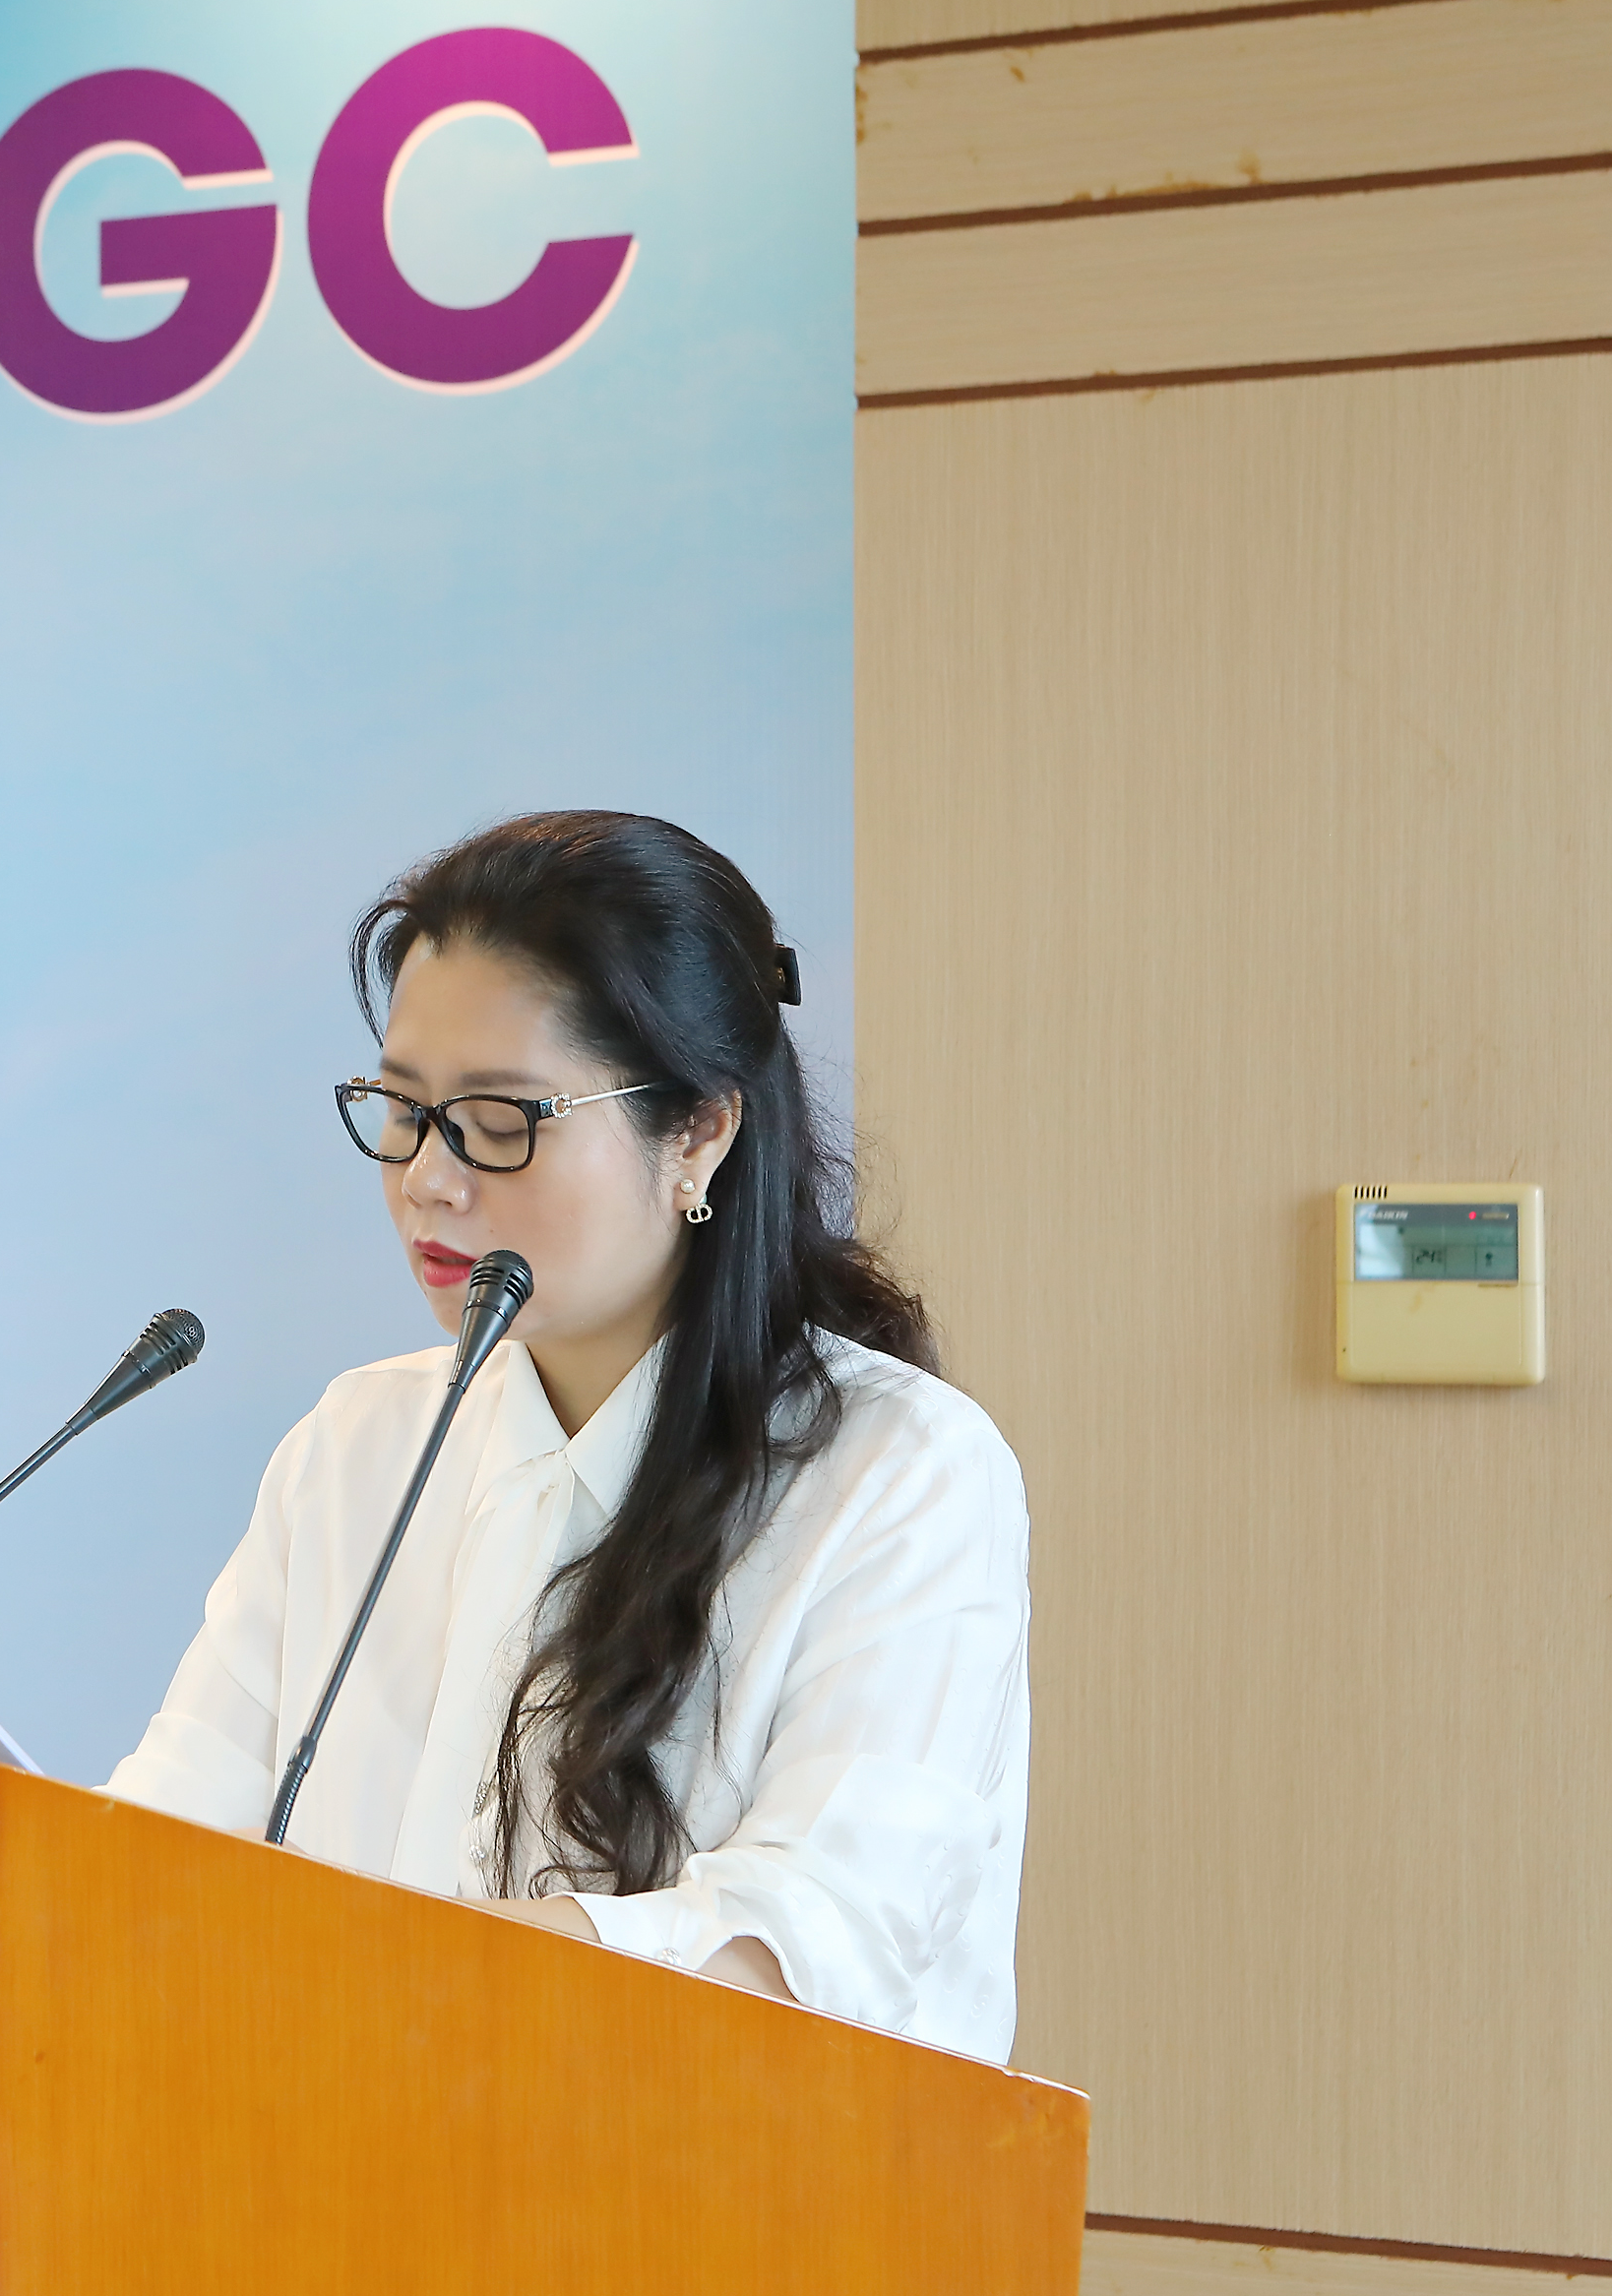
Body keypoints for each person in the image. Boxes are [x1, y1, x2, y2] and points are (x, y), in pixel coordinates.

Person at [101, 811, 1032, 2062]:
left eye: (499, 1121)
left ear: (698, 1132)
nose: (427, 1178)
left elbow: (808, 1949)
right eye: (399, 1109)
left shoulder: (898, 1474)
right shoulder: (358, 1445)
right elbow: (163, 1846)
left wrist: (375, 1968)